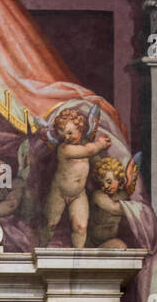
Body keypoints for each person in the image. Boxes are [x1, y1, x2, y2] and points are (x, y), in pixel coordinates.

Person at [40, 105, 111, 248]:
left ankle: (79, 257)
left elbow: (96, 161)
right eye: (63, 135)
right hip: (59, 193)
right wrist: (100, 145)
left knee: (80, 227)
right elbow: (86, 151)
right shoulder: (65, 149)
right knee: (50, 224)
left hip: (78, 194)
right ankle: (42, 248)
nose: (67, 137)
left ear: (80, 128)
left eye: (70, 133)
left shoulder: (86, 146)